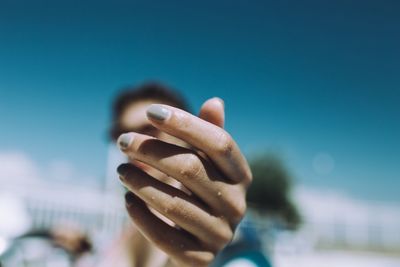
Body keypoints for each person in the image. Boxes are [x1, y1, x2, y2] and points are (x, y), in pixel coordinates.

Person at [104, 82, 252, 267]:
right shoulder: (131, 230)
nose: (134, 144)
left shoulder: (236, 252)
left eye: (149, 129)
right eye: (121, 134)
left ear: (185, 136)